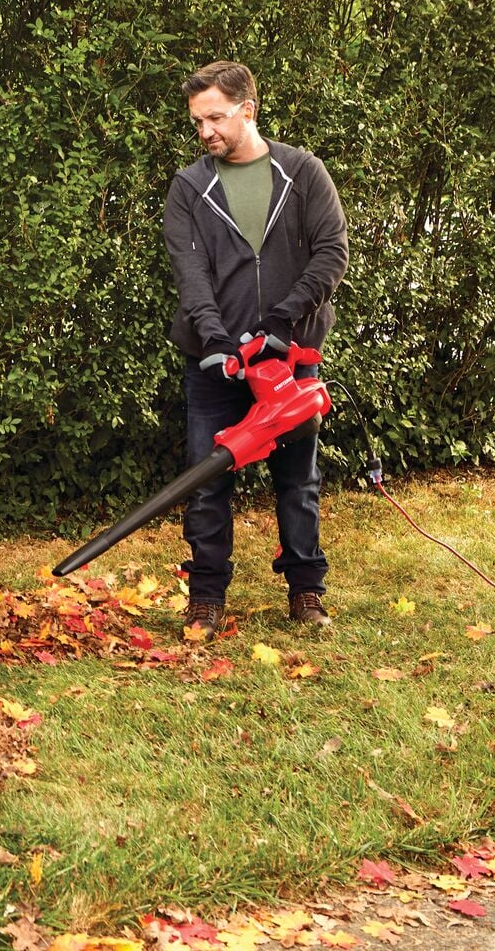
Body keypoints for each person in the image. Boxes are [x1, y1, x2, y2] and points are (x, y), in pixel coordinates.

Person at [162, 60, 348, 641]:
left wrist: (279, 322)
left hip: (288, 358)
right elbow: (190, 271)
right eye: (198, 122)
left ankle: (306, 589)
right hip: (215, 361)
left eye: (216, 117)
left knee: (298, 479)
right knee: (205, 480)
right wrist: (216, 339)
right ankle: (206, 596)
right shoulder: (191, 187)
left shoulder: (302, 172)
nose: (206, 131)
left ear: (248, 110)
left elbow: (330, 253)